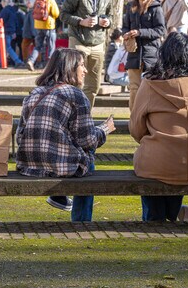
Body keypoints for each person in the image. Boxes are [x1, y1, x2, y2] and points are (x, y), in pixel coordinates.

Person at [130, 32, 188, 221]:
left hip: (158, 163)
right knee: (169, 162)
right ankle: (172, 214)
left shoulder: (150, 84)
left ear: (163, 55)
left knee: (157, 163)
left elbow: (136, 129)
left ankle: (156, 219)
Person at [16, 48, 115, 221]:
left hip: (28, 164)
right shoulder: (76, 95)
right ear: (69, 68)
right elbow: (88, 140)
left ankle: (59, 195)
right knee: (88, 156)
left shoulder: (35, 93)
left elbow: (19, 136)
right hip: (59, 166)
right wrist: (105, 129)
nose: (85, 70)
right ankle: (81, 221)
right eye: (82, 66)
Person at [59, 0, 112, 107]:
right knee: (75, 81)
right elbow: (63, 15)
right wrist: (81, 21)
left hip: (98, 43)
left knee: (93, 85)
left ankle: (85, 116)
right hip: (79, 40)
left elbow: (110, 15)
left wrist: (107, 22)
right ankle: (71, 114)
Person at [122, 0, 165, 110]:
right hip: (134, 53)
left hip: (151, 54)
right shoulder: (130, 7)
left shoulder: (156, 8)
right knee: (134, 88)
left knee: (151, 87)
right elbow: (125, 27)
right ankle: (134, 118)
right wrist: (126, 34)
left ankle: (151, 117)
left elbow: (161, 30)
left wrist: (141, 32)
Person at [27, 0, 60, 71]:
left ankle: (31, 60)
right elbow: (56, 13)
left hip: (38, 26)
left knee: (38, 46)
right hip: (49, 26)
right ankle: (49, 67)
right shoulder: (51, 0)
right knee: (51, 46)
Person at [0, 0, 25, 68]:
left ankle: (17, 61)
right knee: (12, 46)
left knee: (8, 47)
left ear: (4, 3)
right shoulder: (15, 10)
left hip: (8, 31)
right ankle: (12, 61)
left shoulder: (5, 10)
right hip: (15, 31)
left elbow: (0, 20)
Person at [21, 0, 36, 65]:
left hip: (29, 33)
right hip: (32, 33)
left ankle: (26, 60)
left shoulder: (31, 12)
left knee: (24, 46)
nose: (27, 3)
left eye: (28, 2)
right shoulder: (32, 11)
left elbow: (32, 24)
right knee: (36, 47)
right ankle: (37, 61)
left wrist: (34, 34)